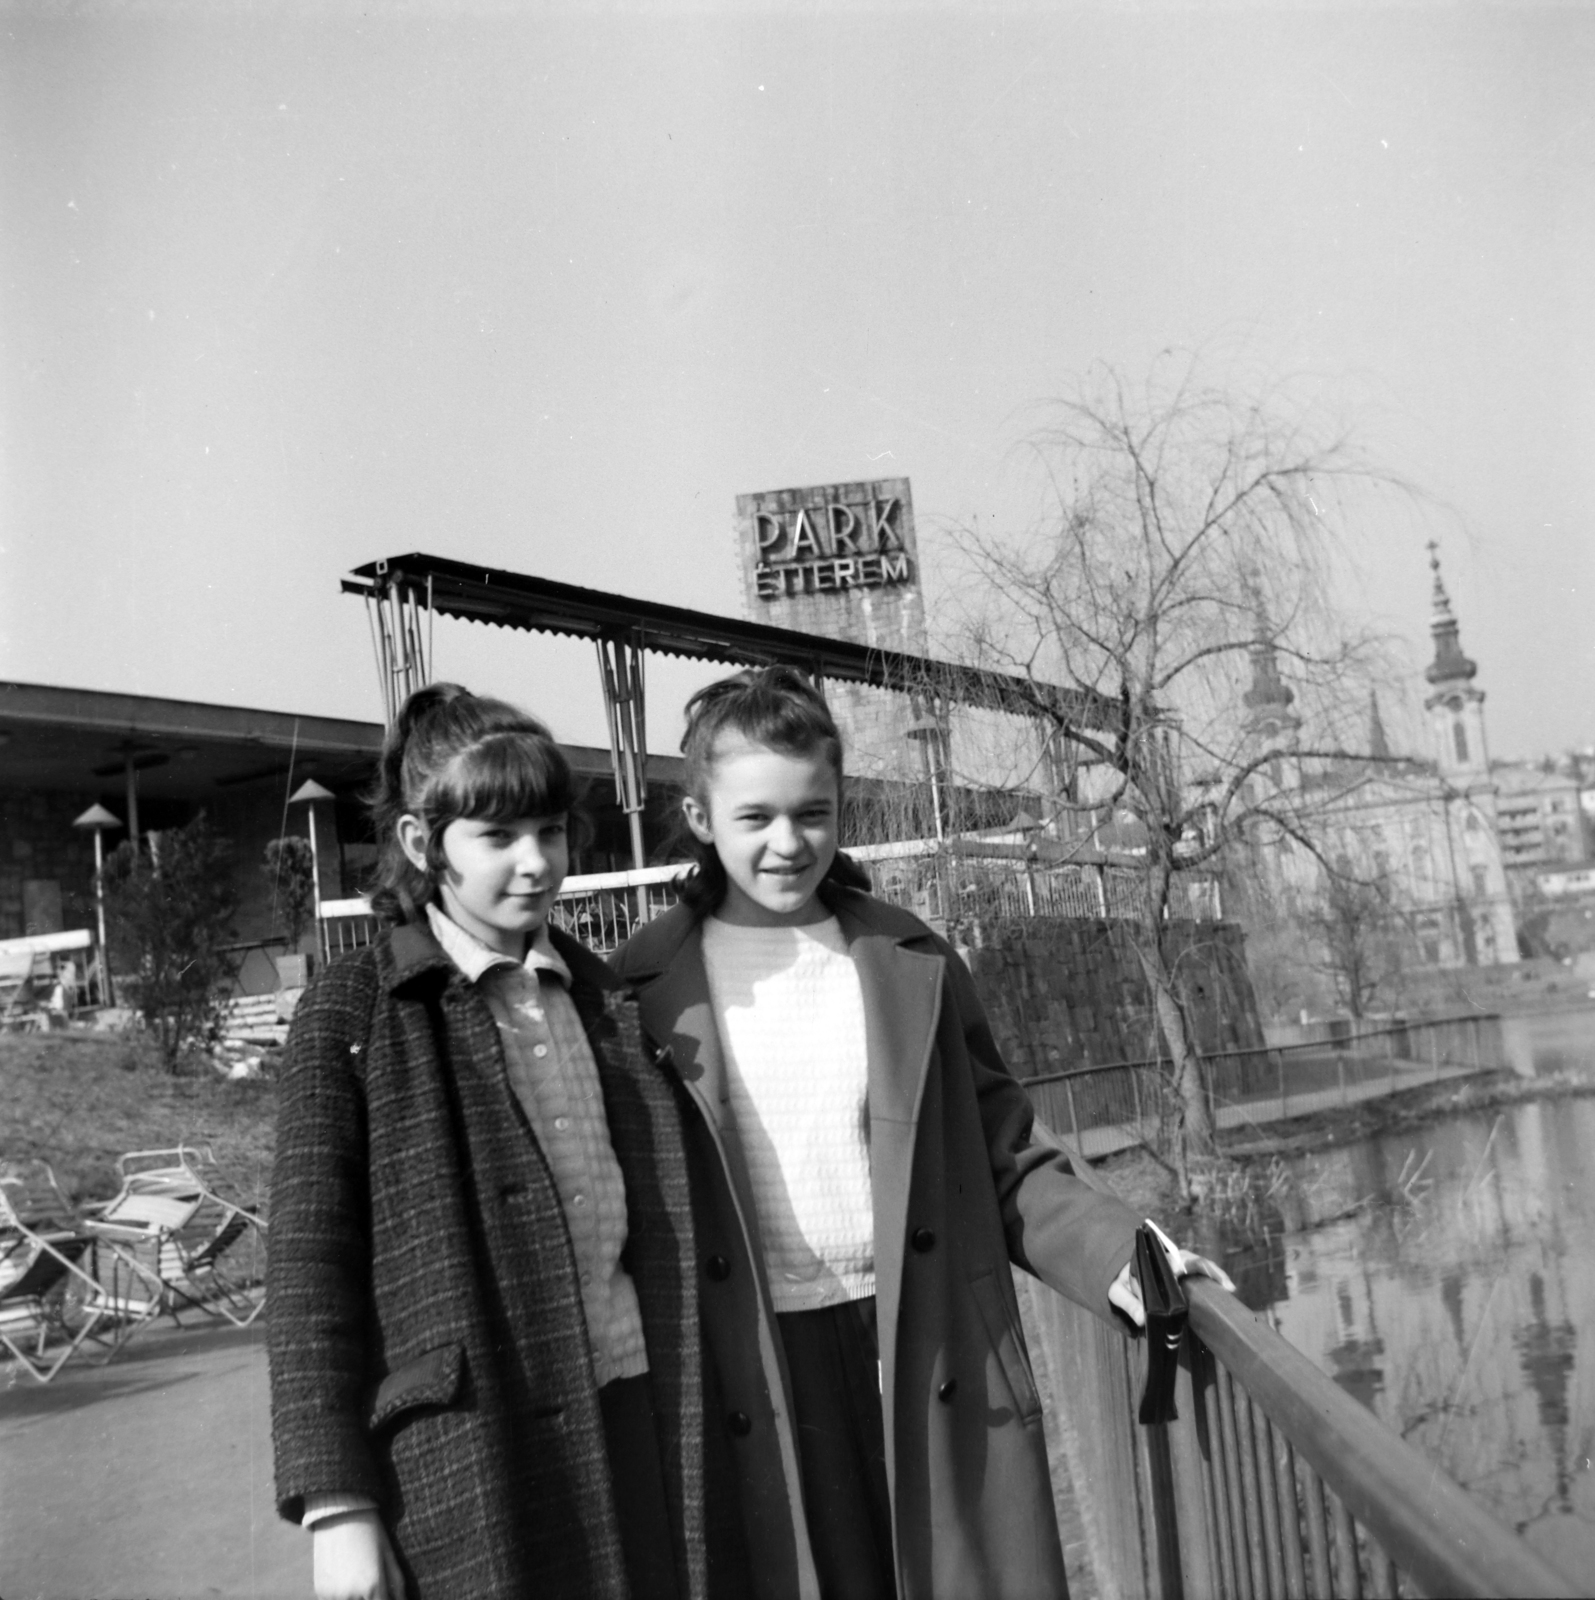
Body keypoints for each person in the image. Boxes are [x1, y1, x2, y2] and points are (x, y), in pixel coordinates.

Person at [613, 666, 1232, 1600]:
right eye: (755, 819)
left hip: (919, 1340)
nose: (788, 843)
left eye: (812, 813)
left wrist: (1125, 1256)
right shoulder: (636, 989)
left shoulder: (908, 958)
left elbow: (1004, 1153)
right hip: (755, 1370)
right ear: (701, 818)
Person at [268, 683, 744, 1600]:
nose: (535, 863)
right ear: (421, 844)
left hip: (638, 1408)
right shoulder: (351, 1013)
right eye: (497, 838)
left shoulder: (604, 997)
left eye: (552, 830)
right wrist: (338, 1508)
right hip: (475, 1448)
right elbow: (305, 1275)